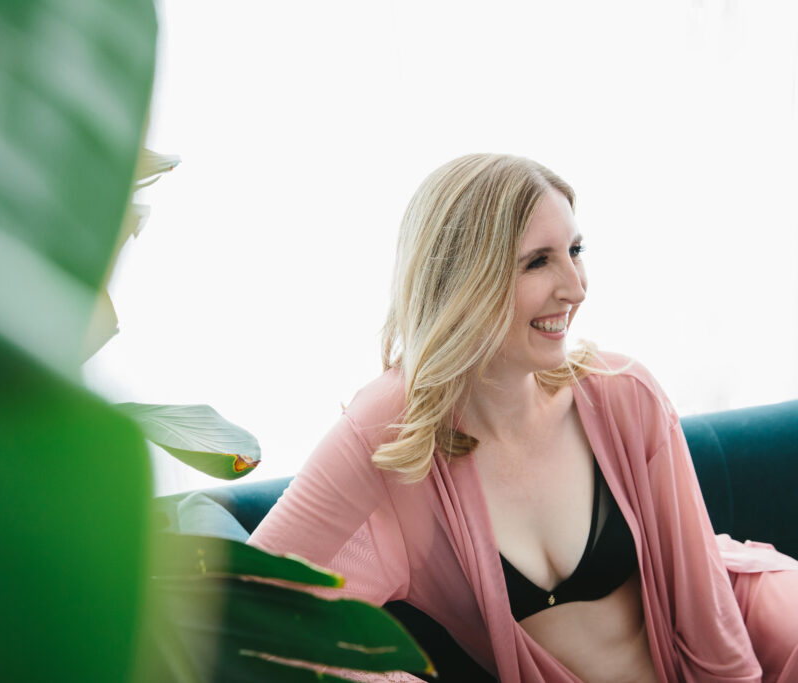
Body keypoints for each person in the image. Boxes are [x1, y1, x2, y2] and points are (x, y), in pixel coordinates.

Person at [248, 154, 798, 682]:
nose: (576, 288)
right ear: (464, 280)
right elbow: (243, 606)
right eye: (538, 261)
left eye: (575, 250)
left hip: (749, 627)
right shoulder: (392, 432)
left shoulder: (623, 393)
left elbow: (709, 611)